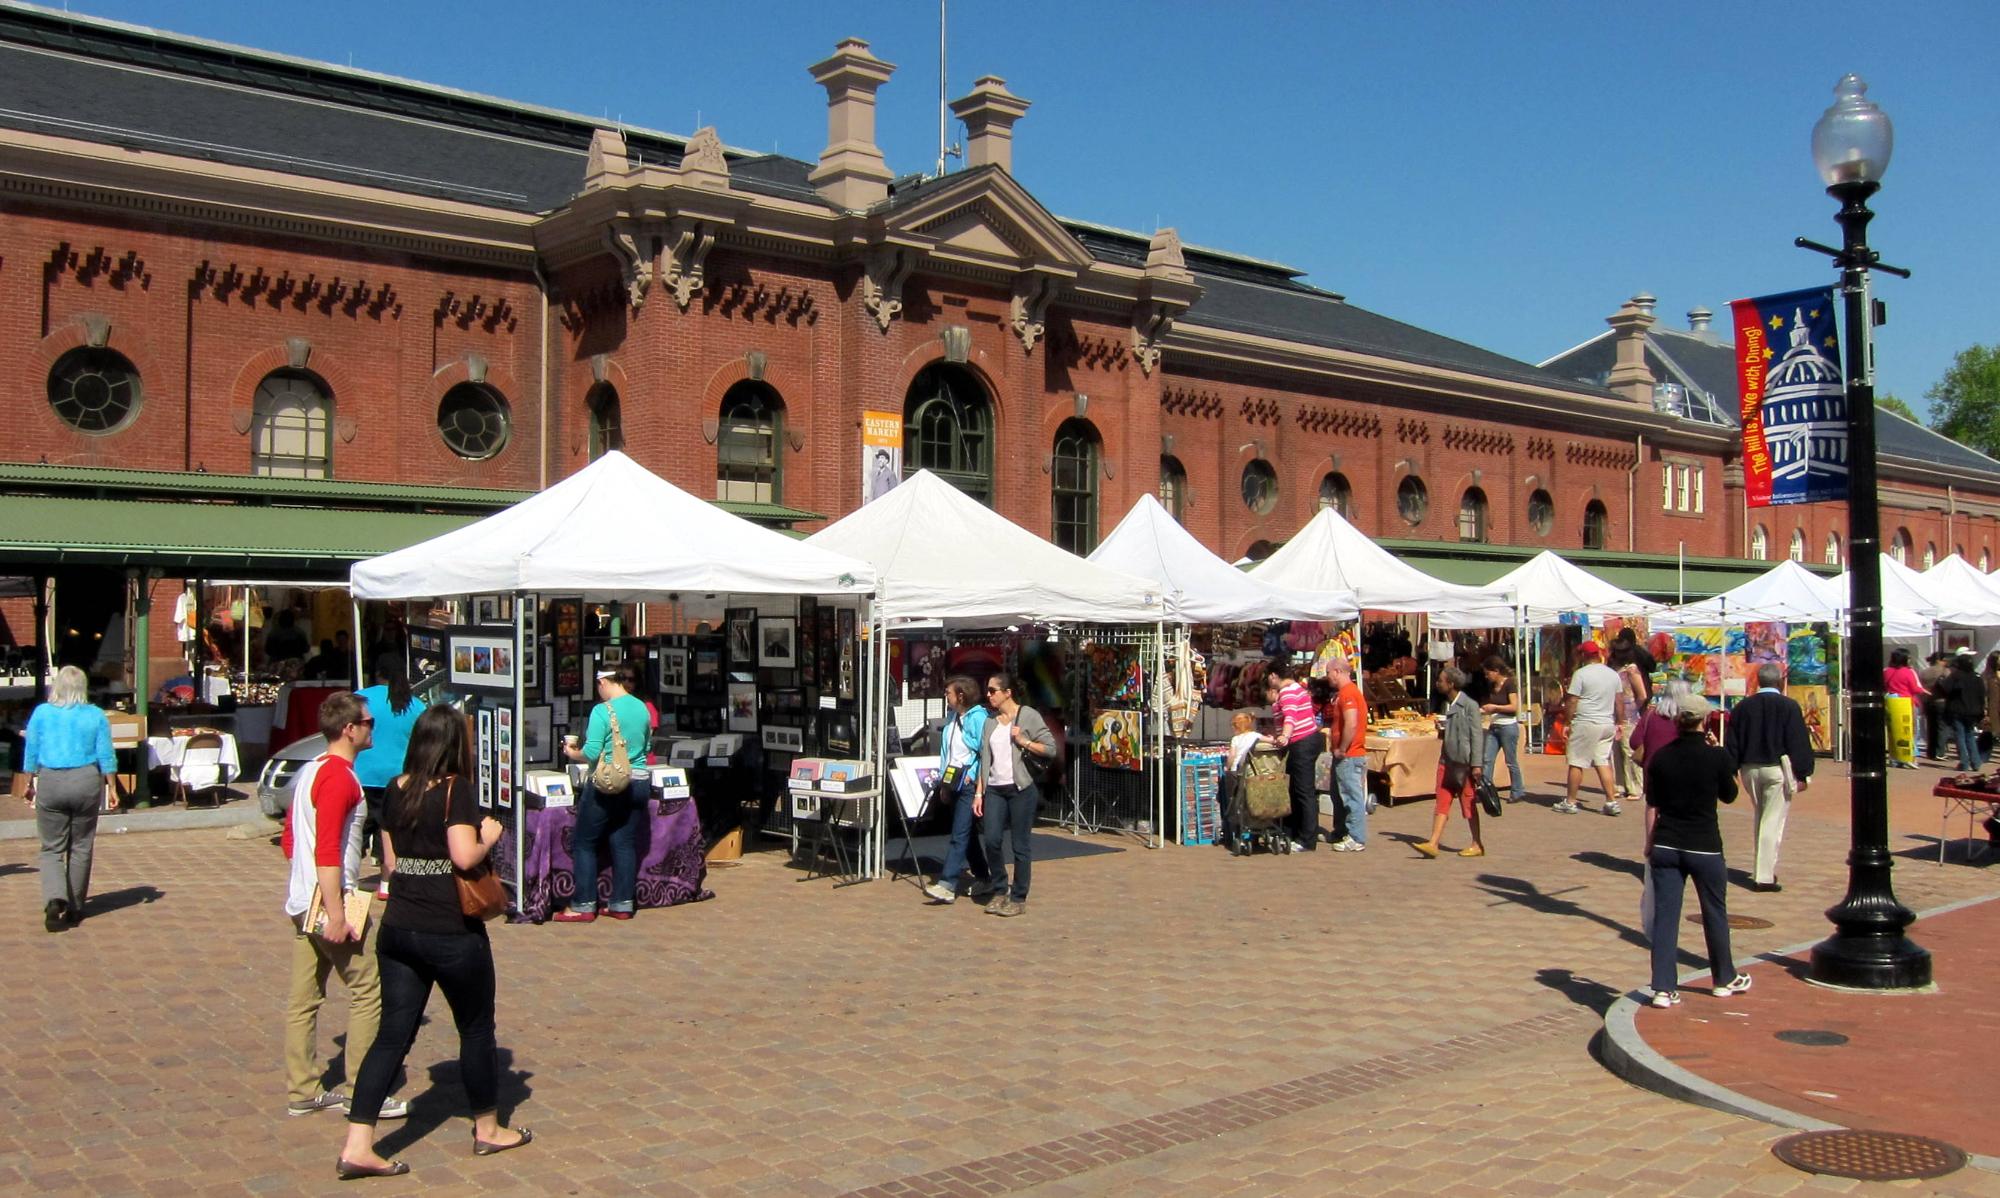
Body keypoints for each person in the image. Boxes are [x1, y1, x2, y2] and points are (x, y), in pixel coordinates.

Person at [337, 705, 531, 1179]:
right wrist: (489, 836)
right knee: (476, 1028)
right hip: (450, 929)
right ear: (455, 746)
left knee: (392, 1035)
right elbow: (464, 856)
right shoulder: (454, 791)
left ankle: (358, 1142)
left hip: (400, 926)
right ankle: (488, 1126)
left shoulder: (397, 790)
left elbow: (388, 865)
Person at [281, 692, 408, 1121]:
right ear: (350, 729)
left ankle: (302, 1087)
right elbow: (328, 852)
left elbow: (292, 842)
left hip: (302, 896)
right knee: (368, 989)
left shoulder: (311, 770)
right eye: (369, 723)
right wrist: (337, 912)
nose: (374, 728)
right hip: (331, 896)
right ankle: (361, 1088)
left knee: (305, 996)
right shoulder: (339, 778)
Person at [1642, 693, 1753, 1008]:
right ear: (1704, 721)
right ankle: (1723, 977)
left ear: (1678, 721)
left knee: (1666, 916)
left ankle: (1663, 987)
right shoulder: (1715, 757)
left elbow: (1654, 802)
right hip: (1704, 844)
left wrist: (1649, 843)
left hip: (1666, 841)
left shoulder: (1662, 757)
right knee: (1714, 912)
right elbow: (1730, 795)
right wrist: (1721, 756)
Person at [556, 663, 653, 922]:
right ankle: (622, 903)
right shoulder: (642, 707)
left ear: (603, 683)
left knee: (584, 842)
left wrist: (571, 753)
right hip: (640, 780)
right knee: (624, 842)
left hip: (610, 783)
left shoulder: (602, 710)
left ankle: (584, 904)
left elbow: (591, 753)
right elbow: (646, 745)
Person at [25, 665, 116, 932]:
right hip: (86, 779)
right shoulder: (96, 715)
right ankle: (76, 905)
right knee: (81, 845)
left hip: (52, 779)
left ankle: (55, 898)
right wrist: (113, 787)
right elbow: (106, 754)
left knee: (52, 847)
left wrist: (29, 780)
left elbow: (31, 749)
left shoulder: (42, 713)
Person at [1723, 663, 1815, 893]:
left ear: (1758, 681)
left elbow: (1732, 741)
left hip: (1749, 768)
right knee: (1772, 820)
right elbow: (1798, 741)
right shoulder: (1789, 706)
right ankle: (1764, 876)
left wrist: (1731, 769)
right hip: (1776, 768)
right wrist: (1803, 772)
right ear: (1780, 681)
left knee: (1762, 817)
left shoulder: (1743, 707)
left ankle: (1762, 867)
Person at [974, 673, 1055, 917]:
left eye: (992, 690)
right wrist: (979, 792)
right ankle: (999, 889)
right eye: (987, 691)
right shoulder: (989, 721)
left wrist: (1023, 741)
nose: (988, 695)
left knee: (1020, 845)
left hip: (1020, 789)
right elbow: (984, 759)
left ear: (1008, 692)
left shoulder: (1027, 715)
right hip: (995, 789)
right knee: (991, 839)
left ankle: (1018, 896)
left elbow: (1050, 748)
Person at [353, 657, 426, 887]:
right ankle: (387, 882)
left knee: (355, 832)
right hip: (398, 777)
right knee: (391, 830)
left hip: (362, 773)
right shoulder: (416, 705)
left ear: (377, 673)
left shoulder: (360, 698)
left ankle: (348, 882)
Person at [923, 675, 993, 904]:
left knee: (959, 833)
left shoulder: (978, 718)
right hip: (953, 781)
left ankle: (948, 883)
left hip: (969, 784)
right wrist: (944, 783)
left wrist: (975, 780)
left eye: (948, 692)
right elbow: (948, 753)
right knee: (967, 834)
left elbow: (984, 752)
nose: (946, 696)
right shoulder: (953, 717)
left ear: (961, 695)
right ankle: (984, 876)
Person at [1414, 666, 1483, 858]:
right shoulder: (1448, 704)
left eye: (1441, 680)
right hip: (1447, 760)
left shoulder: (1469, 705)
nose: (1438, 683)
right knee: (1442, 800)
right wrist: (1442, 730)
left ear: (1451, 684)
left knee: (1468, 803)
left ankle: (1477, 843)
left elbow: (1477, 736)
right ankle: (1433, 842)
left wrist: (1477, 764)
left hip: (1463, 763)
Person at [1556, 642, 1624, 815]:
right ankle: (1611, 801)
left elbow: (1572, 700)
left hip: (1586, 722)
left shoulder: (1581, 674)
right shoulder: (1612, 674)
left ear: (1583, 656)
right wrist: (1620, 721)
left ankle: (1571, 802)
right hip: (1606, 722)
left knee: (1576, 761)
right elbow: (1619, 701)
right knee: (1602, 761)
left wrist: (1567, 722)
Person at [1263, 663, 1323, 851]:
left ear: (1274, 676)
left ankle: (1307, 838)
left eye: (1268, 677)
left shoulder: (1288, 692)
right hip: (1307, 740)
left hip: (1301, 742)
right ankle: (1295, 832)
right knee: (1298, 790)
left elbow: (1290, 717)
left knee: (1303, 791)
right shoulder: (1298, 688)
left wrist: (1284, 736)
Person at [1325, 658, 1369, 852]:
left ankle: (1356, 837)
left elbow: (1351, 723)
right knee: (1338, 795)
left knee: (1351, 796)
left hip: (1350, 754)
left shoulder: (1349, 694)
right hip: (1344, 754)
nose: (1327, 677)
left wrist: (1342, 748)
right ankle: (1341, 831)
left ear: (1336, 671)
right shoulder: (1345, 693)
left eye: (1328, 673)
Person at [1477, 656, 1524, 805]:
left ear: (1496, 671)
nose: (1486, 676)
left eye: (1488, 673)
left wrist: (1495, 708)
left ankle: (1517, 790)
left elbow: (1514, 707)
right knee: (1487, 759)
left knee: (1510, 760)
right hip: (1494, 725)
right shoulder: (1491, 687)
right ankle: (1486, 790)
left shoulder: (1509, 684)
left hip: (1508, 726)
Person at [1937, 649, 1986, 772]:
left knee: (1960, 736)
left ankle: (1964, 762)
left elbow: (1945, 689)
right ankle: (1976, 762)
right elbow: (1982, 695)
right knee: (1970, 735)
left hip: (1958, 710)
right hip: (1973, 711)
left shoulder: (1956, 676)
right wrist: (1981, 710)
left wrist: (1941, 681)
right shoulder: (1977, 676)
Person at [1882, 647, 1927, 769]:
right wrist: (1925, 691)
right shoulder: (1909, 672)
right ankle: (1909, 757)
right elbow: (1916, 688)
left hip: (1891, 703)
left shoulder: (1886, 671)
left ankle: (1894, 757)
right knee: (1910, 731)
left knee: (1893, 731)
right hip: (1907, 702)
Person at [1918, 651, 1950, 761]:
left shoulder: (1923, 672)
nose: (1946, 662)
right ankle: (1940, 751)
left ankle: (1930, 751)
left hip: (1927, 701)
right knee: (1942, 727)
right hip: (1941, 701)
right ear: (1939, 660)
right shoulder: (1946, 671)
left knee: (1931, 727)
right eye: (1944, 660)